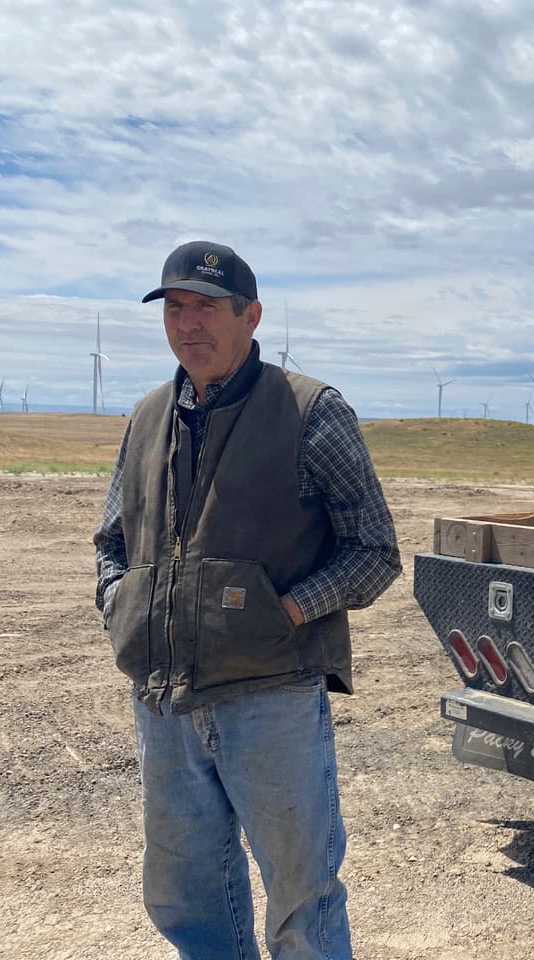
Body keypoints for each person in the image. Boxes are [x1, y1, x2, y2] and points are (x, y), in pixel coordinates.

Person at [94, 240, 402, 959]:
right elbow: (111, 539)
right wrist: (120, 602)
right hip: (164, 701)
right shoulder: (144, 418)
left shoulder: (309, 412)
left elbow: (374, 551)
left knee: (302, 899)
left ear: (251, 315)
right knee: (186, 894)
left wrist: (285, 612)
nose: (187, 323)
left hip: (272, 698)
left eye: (206, 307)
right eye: (174, 307)